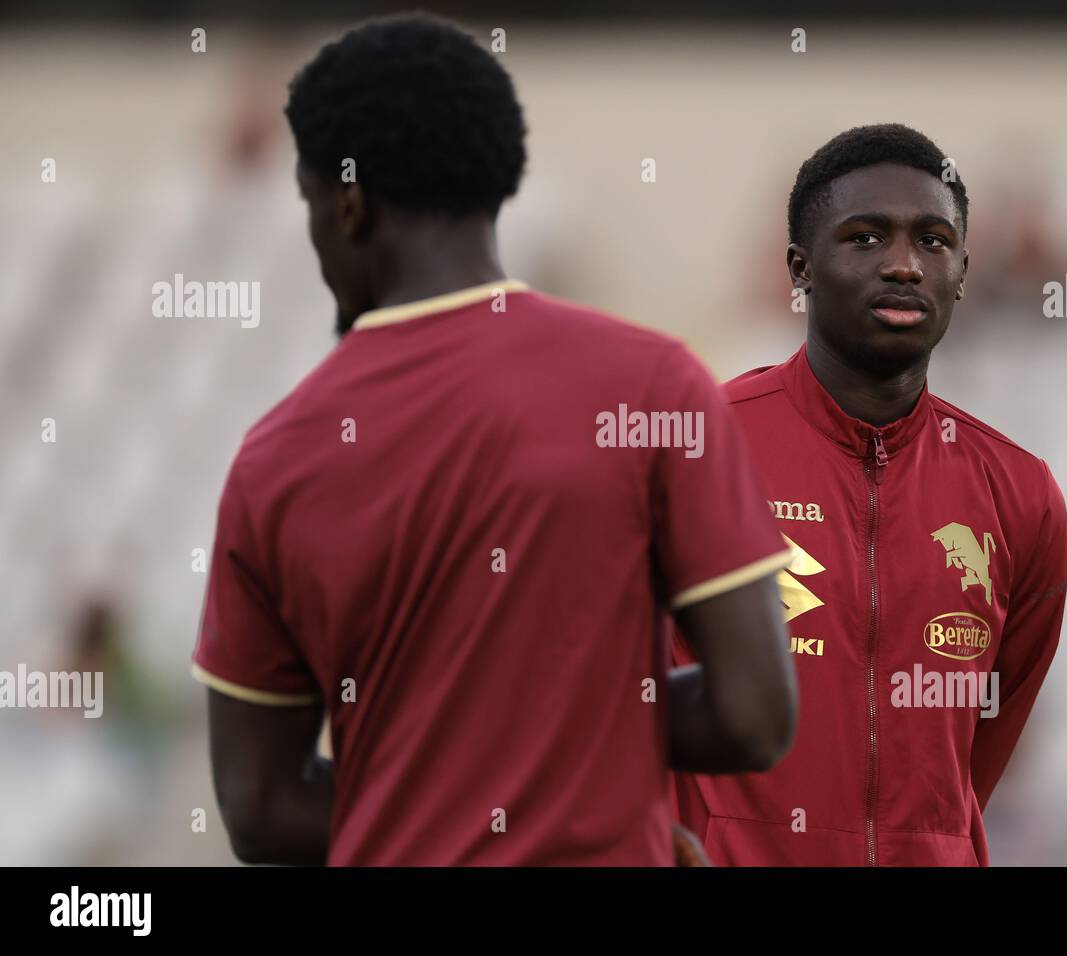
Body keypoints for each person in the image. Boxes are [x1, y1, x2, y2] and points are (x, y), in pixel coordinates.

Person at [192, 13, 796, 866]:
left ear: (349, 205)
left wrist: (440, 798)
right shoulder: (654, 385)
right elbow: (755, 715)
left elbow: (258, 805)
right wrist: (582, 758)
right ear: (498, 180)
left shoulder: (275, 456)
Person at [672, 123, 1067, 866]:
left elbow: (978, 757)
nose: (904, 266)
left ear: (962, 270)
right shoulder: (694, 451)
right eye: (864, 238)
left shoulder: (1022, 494)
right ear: (801, 268)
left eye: (932, 241)